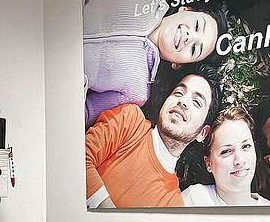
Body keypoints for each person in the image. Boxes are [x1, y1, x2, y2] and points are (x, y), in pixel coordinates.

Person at [82, 0, 222, 127]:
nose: (189, 37)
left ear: (178, 64)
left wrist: (76, 79)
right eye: (197, 25)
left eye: (195, 49)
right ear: (185, 9)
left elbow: (85, 113)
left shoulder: (137, 92)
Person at [85, 69, 220, 208]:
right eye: (179, 92)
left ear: (202, 133)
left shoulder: (172, 203)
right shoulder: (130, 120)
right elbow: (79, 157)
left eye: (196, 102)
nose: (183, 101)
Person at [181, 107, 270, 206]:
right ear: (208, 163)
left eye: (246, 146)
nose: (239, 160)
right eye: (226, 151)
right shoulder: (194, 199)